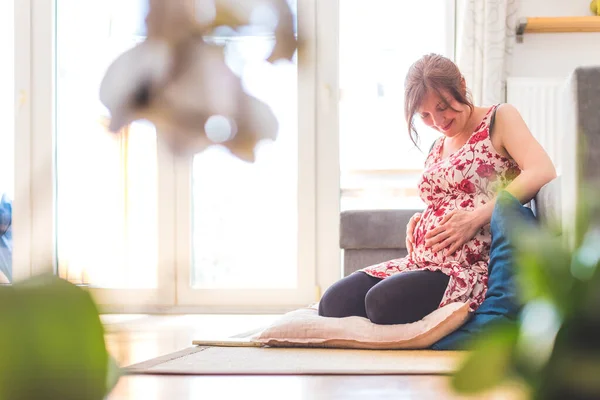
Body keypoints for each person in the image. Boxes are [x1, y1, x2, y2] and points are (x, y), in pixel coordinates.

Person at [318, 53, 557, 325]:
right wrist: (420, 221)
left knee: (381, 304)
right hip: (421, 262)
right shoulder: (437, 146)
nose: (438, 121)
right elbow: (445, 198)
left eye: (443, 107)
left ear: (462, 85)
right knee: (333, 302)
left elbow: (542, 169)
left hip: (468, 269)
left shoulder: (498, 119)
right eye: (426, 115)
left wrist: (474, 218)